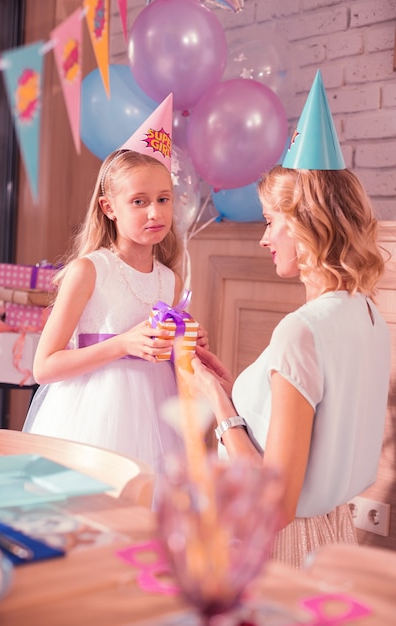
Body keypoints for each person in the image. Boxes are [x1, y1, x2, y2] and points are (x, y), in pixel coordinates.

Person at [181, 71, 391, 568]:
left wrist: (214, 399)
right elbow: (317, 435)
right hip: (336, 539)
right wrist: (238, 393)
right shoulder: (368, 315)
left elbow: (276, 507)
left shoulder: (302, 330)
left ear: (306, 225)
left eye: (272, 221)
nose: (264, 237)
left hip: (281, 549)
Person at [23, 95, 207, 477]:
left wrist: (184, 346)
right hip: (92, 415)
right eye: (139, 201)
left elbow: (166, 358)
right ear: (109, 208)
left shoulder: (169, 279)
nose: (155, 212)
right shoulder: (89, 271)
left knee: (147, 508)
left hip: (156, 417)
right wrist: (122, 343)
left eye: (163, 199)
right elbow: (44, 366)